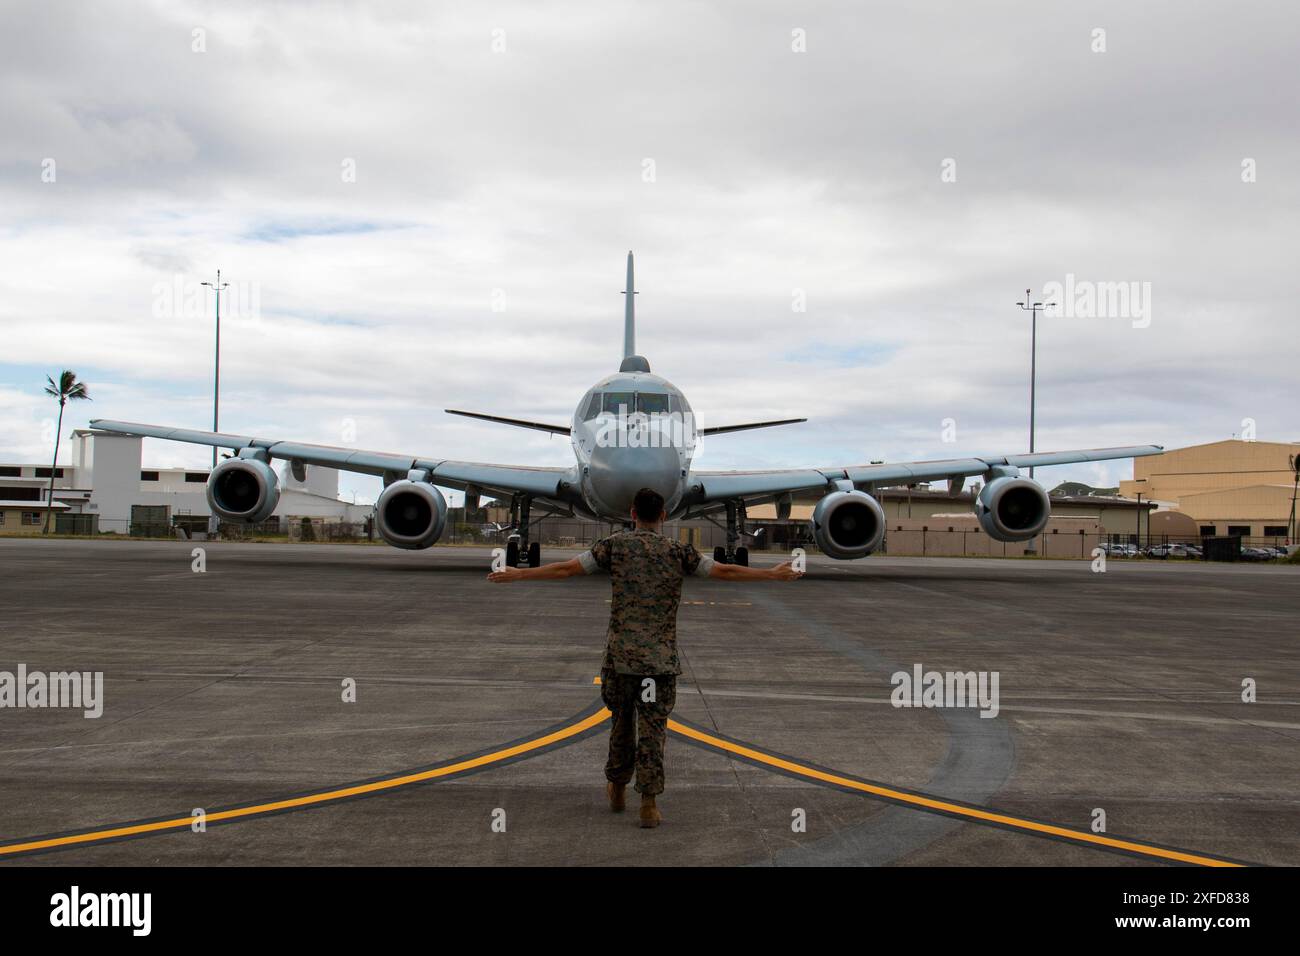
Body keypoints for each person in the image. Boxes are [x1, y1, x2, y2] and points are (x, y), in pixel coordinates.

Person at [487, 487, 802, 827]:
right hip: (659, 664)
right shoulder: (679, 551)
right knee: (653, 730)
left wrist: (519, 573)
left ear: (632, 514)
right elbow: (725, 571)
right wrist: (772, 573)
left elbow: (566, 570)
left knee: (621, 725)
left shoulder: (614, 547)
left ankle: (618, 787)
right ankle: (649, 804)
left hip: (621, 660)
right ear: (664, 516)